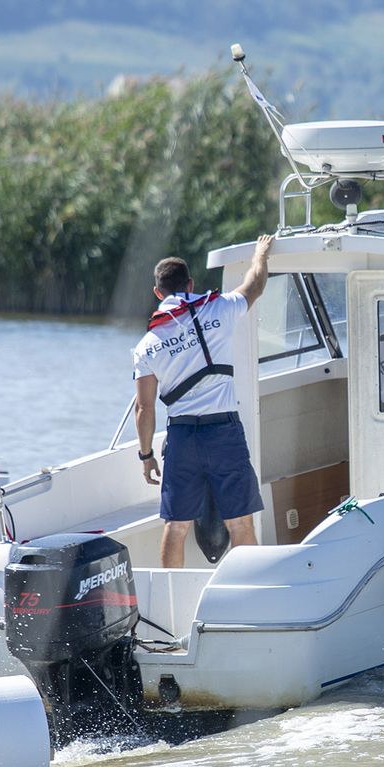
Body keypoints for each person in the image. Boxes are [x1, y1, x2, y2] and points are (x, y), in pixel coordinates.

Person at [132, 238, 274, 568]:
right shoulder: (219, 308)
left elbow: (145, 408)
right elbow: (255, 285)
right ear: (191, 284)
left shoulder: (147, 344)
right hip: (224, 431)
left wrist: (146, 456)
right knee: (240, 522)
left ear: (157, 293)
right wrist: (260, 255)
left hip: (182, 438)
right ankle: (247, 595)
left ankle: (171, 606)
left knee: (177, 525)